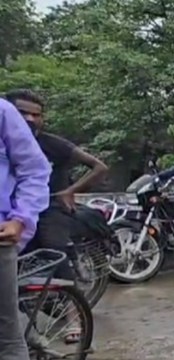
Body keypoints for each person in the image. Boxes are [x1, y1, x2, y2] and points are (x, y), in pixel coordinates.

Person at [6, 89, 110, 283]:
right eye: (22, 113)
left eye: (36, 115)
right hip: (14, 210)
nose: (29, 119)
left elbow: (99, 167)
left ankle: (72, 308)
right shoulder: (5, 144)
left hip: (50, 208)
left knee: (53, 251)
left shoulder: (52, 144)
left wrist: (70, 191)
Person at [0, 97, 52, 360]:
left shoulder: (3, 114)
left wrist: (21, 219)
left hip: (6, 232)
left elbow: (36, 170)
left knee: (5, 333)